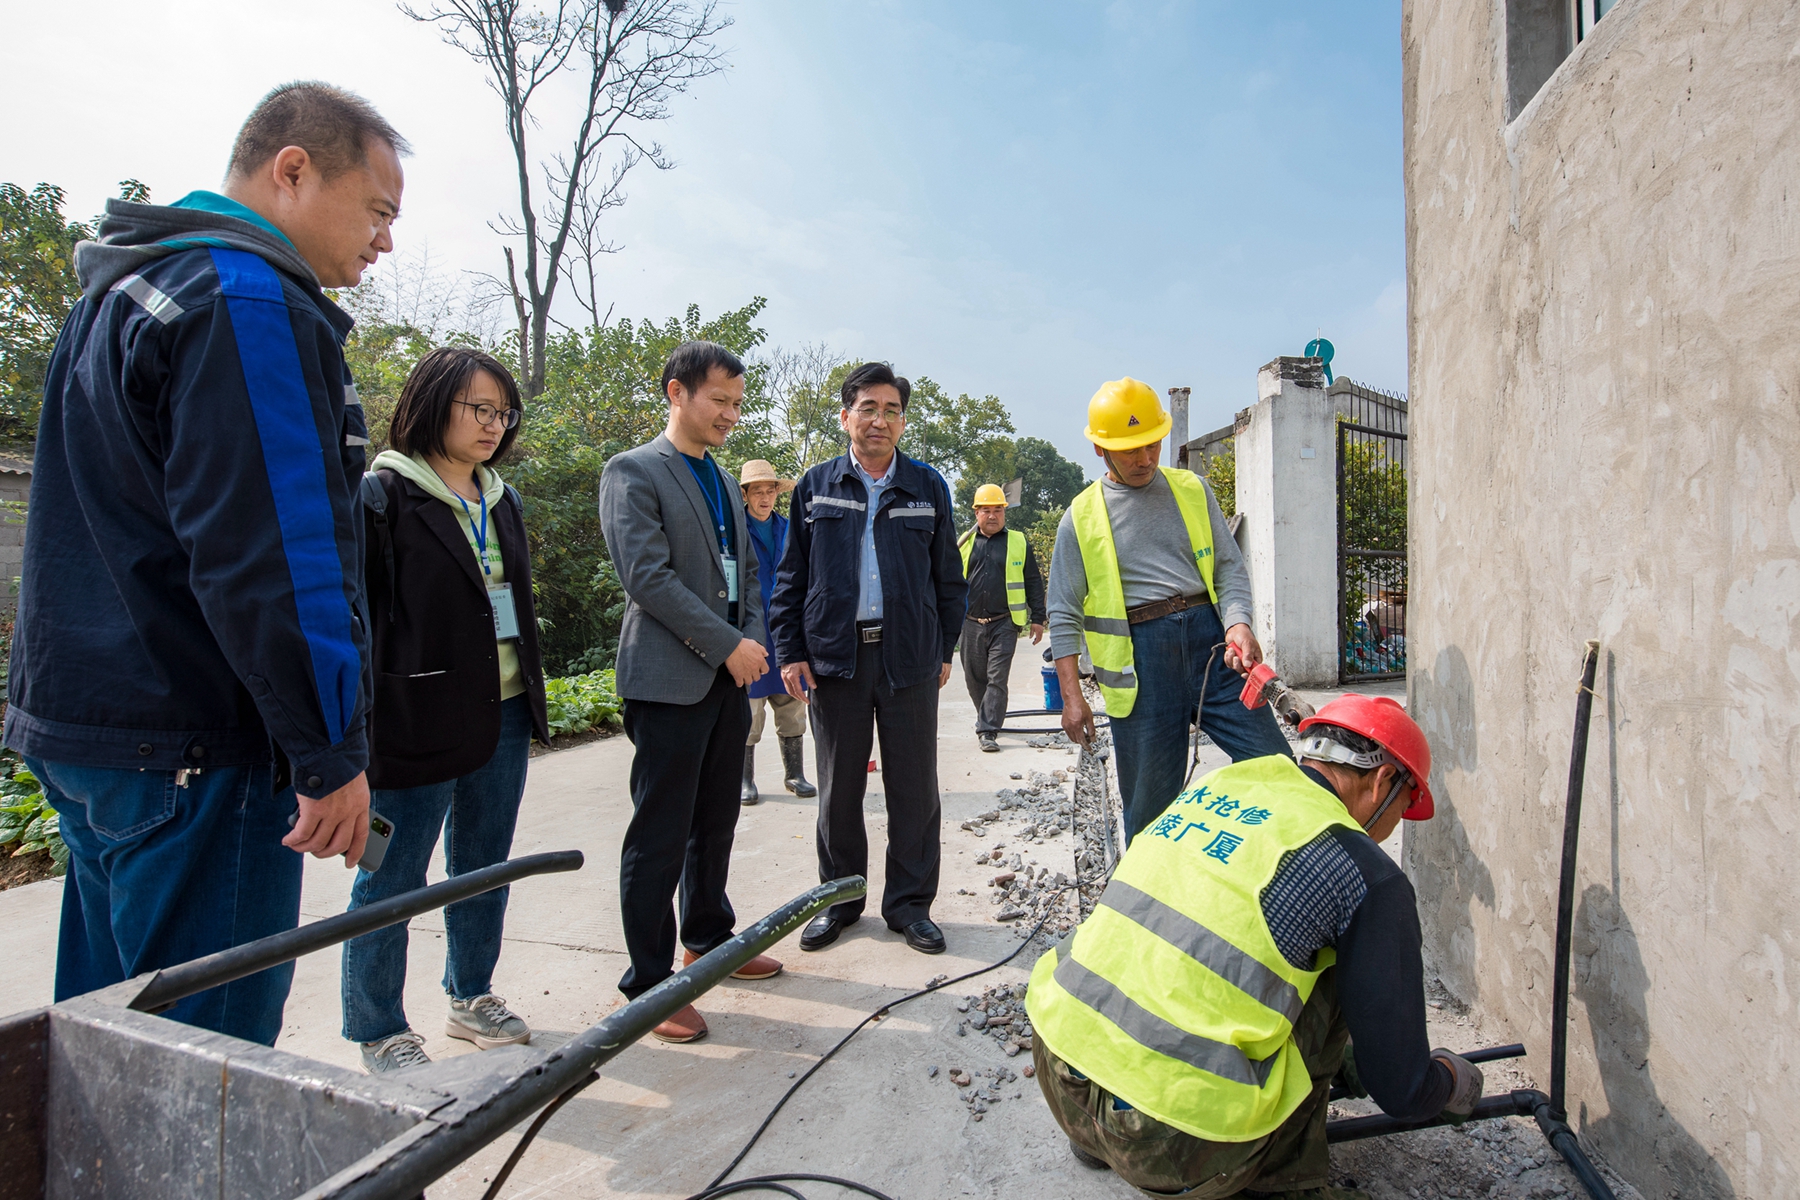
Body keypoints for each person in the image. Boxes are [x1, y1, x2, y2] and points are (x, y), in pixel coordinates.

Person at [3, 82, 405, 1046]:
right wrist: (327, 746)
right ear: (294, 171)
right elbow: (275, 552)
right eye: (379, 211)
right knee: (203, 1072)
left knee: (106, 1047)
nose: (385, 242)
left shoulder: (124, 289)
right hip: (198, 744)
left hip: (93, 731)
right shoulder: (246, 297)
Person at [1024, 697, 1485, 1198]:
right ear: (1382, 781)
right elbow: (1402, 1091)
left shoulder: (1223, 786)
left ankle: (1099, 1131)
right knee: (1343, 955)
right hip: (1171, 1145)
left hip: (1060, 1074)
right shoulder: (1364, 874)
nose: (1395, 825)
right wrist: (1444, 1083)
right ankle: (1281, 1177)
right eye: (1402, 807)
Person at [340, 347, 551, 1073]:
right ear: (433, 403)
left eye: (503, 412)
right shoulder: (385, 495)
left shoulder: (502, 499)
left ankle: (472, 996)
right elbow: (359, 619)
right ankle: (377, 1027)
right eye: (479, 409)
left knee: (483, 863)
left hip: (505, 710)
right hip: (414, 717)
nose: (494, 425)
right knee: (391, 875)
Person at [597, 340, 782, 1044]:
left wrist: (753, 640)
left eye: (738, 404)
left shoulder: (724, 483)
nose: (731, 415)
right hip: (669, 681)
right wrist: (727, 644)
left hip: (727, 678)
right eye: (719, 401)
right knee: (660, 832)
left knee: (716, 819)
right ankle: (648, 985)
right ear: (678, 393)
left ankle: (707, 941)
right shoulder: (635, 471)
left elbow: (752, 580)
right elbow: (647, 578)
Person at [768, 362, 967, 956]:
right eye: (869, 408)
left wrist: (942, 649)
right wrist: (791, 650)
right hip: (836, 661)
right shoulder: (816, 485)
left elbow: (947, 582)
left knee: (914, 788)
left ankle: (909, 906)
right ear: (846, 416)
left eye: (892, 410)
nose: (880, 420)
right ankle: (839, 902)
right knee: (838, 792)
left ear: (903, 421)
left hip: (908, 660)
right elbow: (791, 578)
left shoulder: (927, 487)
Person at [1048, 378, 1292, 842]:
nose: (1144, 459)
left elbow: (1228, 568)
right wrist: (1071, 697)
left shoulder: (1193, 490)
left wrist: (1239, 623)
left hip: (1213, 652)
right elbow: (1062, 611)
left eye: (1151, 444)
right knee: (1148, 814)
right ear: (1101, 450)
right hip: (1142, 668)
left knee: (1278, 770)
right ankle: (1142, 907)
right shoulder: (1080, 517)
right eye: (1130, 450)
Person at [737, 459, 816, 804]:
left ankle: (794, 774)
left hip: (786, 629)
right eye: (758, 491)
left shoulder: (788, 528)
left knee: (791, 704)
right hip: (750, 630)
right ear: (746, 495)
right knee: (749, 710)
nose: (765, 498)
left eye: (770, 491)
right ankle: (744, 780)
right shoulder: (735, 530)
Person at [958, 483, 1046, 752]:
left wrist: (1038, 617)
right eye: (986, 510)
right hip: (970, 623)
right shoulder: (963, 543)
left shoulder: (1018, 541)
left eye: (998, 510)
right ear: (976, 513)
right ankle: (986, 717)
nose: (993, 515)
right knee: (975, 678)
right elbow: (949, 584)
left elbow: (1033, 580)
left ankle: (987, 729)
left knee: (997, 677)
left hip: (1005, 623)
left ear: (1005, 512)